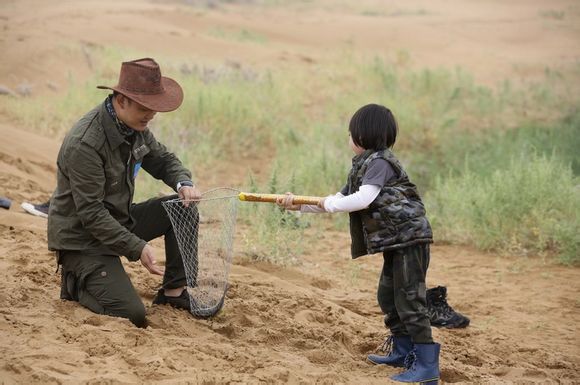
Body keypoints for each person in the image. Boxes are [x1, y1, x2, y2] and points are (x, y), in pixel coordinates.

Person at [277, 104, 439, 384]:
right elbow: (335, 200)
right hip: (396, 242)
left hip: (410, 240)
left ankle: (427, 367)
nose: (349, 138)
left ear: (362, 136)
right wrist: (298, 205)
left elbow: (362, 200)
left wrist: (329, 203)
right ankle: (403, 351)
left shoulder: (380, 163)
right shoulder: (364, 165)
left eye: (350, 133)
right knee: (388, 296)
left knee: (409, 299)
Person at [48, 58, 201, 328]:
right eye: (145, 107)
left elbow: (163, 160)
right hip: (82, 239)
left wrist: (183, 183)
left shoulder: (135, 127)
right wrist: (137, 247)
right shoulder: (85, 143)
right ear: (121, 100)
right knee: (133, 314)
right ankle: (76, 281)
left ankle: (173, 293)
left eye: (154, 108)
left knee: (182, 207)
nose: (151, 114)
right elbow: (91, 214)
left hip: (118, 221)